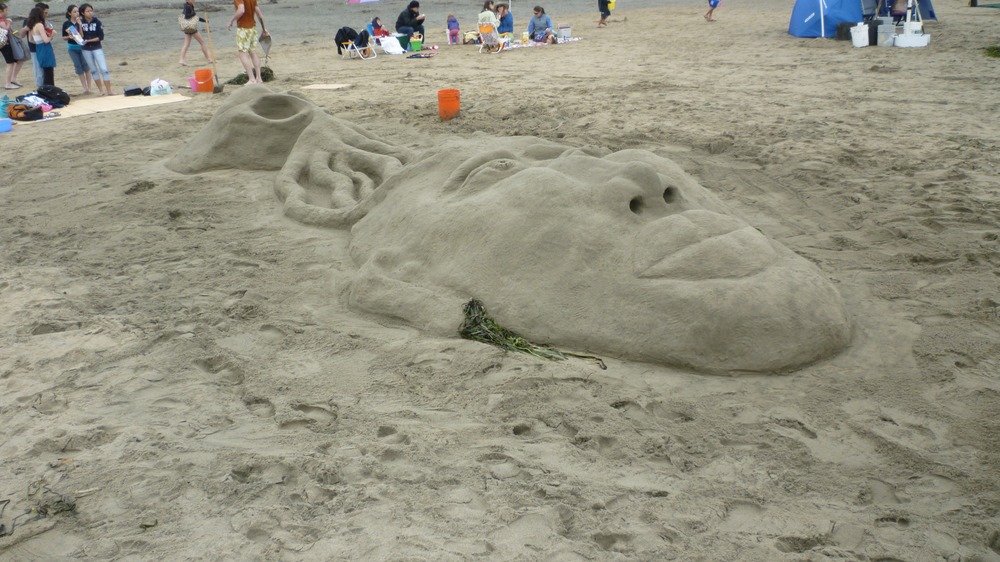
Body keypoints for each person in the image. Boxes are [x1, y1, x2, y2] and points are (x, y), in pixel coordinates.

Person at [227, 0, 268, 85]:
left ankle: (252, 79)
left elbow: (241, 10)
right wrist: (264, 29)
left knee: (242, 53)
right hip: (253, 28)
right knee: (252, 51)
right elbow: (259, 15)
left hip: (243, 29)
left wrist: (232, 20)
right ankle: (259, 78)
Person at [79, 3, 112, 95]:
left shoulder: (97, 22)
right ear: (83, 13)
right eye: (87, 11)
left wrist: (88, 40)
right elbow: (80, 36)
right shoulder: (81, 23)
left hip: (96, 47)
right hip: (86, 49)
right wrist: (79, 25)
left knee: (104, 69)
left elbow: (100, 37)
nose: (90, 13)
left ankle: (109, 90)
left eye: (91, 11)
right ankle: (101, 90)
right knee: (93, 70)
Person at [62, 4, 92, 93]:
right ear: (69, 13)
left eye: (78, 11)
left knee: (86, 66)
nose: (77, 13)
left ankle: (89, 87)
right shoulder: (66, 24)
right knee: (78, 67)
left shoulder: (81, 22)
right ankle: (84, 87)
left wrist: (80, 25)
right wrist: (69, 37)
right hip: (72, 48)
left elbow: (82, 36)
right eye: (74, 12)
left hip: (82, 46)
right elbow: (63, 37)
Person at [21, 2, 49, 87]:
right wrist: (26, 29)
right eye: (45, 13)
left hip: (44, 48)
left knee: (45, 69)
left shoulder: (43, 21)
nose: (46, 15)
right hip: (34, 49)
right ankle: (40, 87)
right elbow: (22, 35)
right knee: (38, 70)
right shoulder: (28, 21)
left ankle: (45, 86)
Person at [25, 6, 54, 86]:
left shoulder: (31, 25)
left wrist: (38, 42)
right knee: (48, 69)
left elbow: (30, 40)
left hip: (38, 47)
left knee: (43, 68)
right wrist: (51, 36)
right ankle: (49, 88)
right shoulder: (39, 25)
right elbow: (46, 40)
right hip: (45, 47)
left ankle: (44, 87)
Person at [178, 0, 212, 66]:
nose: (193, 0)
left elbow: (195, 17)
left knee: (186, 44)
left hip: (187, 28)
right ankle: (209, 59)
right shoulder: (187, 7)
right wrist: (194, 15)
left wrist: (205, 21)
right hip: (191, 28)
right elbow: (188, 16)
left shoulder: (189, 6)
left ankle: (181, 60)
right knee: (202, 42)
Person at [1, 2, 26, 89]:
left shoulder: (2, 19)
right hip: (5, 44)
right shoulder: (1, 20)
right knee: (10, 63)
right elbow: (6, 28)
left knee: (17, 60)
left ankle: (12, 79)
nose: (7, 12)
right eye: (6, 10)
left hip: (7, 43)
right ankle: (8, 83)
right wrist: (8, 22)